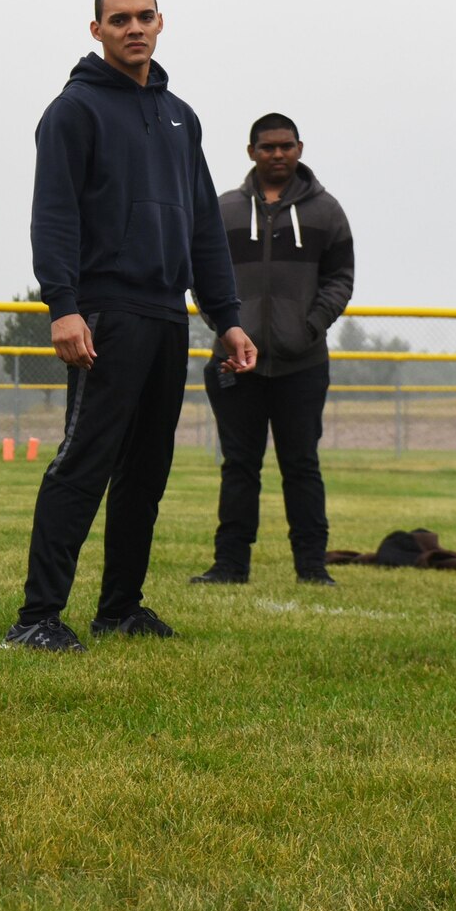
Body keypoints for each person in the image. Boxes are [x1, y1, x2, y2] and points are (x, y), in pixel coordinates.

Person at [6, 0, 258, 652]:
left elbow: (203, 224)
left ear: (161, 22)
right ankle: (36, 618)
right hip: (104, 311)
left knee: (147, 470)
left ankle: (120, 607)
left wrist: (226, 315)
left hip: (167, 313)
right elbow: (52, 216)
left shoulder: (181, 116)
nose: (134, 28)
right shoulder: (73, 110)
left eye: (145, 16)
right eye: (119, 19)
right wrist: (63, 306)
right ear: (96, 30)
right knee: (83, 463)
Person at [193, 114, 355, 587]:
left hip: (302, 363)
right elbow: (199, 278)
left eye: (286, 146)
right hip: (234, 366)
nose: (277, 155)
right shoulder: (221, 211)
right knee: (238, 466)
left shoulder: (327, 212)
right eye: (268, 147)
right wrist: (226, 329)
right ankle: (230, 566)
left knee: (301, 465)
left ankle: (312, 567)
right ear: (251, 152)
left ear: (300, 148)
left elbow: (340, 278)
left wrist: (309, 327)